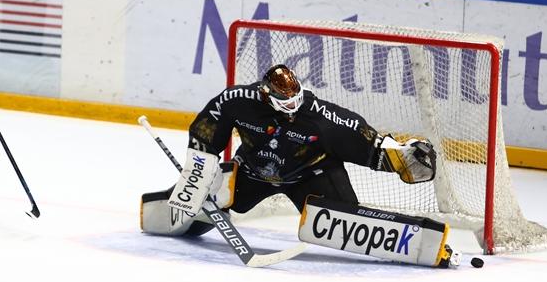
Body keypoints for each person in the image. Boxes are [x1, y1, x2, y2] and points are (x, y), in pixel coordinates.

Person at [141, 64, 456, 267]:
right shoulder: (237, 101)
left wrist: (403, 156)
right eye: (284, 103)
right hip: (253, 172)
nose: (292, 108)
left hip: (311, 176)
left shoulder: (322, 118)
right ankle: (175, 214)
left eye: (295, 101)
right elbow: (206, 130)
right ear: (266, 95)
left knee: (341, 220)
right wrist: (199, 171)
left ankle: (418, 243)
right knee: (208, 197)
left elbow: (368, 143)